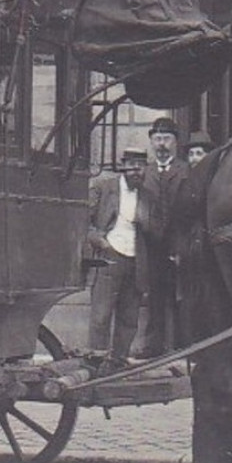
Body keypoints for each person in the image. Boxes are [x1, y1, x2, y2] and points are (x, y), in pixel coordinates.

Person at [85, 148, 148, 363]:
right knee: (101, 314)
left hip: (136, 259)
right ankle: (95, 361)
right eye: (131, 167)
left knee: (129, 317)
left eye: (140, 168)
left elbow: (157, 226)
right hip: (109, 255)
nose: (136, 172)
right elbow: (84, 220)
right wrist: (99, 241)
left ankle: (119, 361)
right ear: (123, 166)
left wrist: (146, 219)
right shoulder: (105, 187)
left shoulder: (147, 195)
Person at [135, 116, 189, 359]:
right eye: (157, 139)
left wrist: (182, 245)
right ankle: (154, 346)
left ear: (176, 142)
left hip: (179, 243)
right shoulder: (144, 173)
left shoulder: (186, 171)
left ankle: (181, 345)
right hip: (150, 246)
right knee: (153, 295)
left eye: (166, 139)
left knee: (181, 295)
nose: (161, 144)